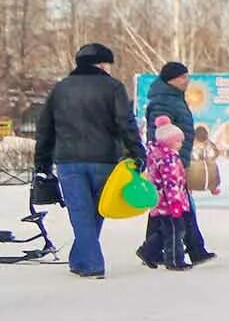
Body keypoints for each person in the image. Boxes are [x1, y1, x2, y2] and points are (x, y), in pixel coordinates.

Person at [32, 42, 145, 278]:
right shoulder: (113, 87)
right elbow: (126, 123)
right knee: (96, 211)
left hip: (68, 161)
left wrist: (42, 161)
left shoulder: (61, 89)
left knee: (81, 212)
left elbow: (45, 128)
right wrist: (137, 151)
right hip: (104, 160)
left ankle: (81, 259)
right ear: (102, 64)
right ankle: (92, 264)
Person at [140, 61, 215, 265]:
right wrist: (170, 160)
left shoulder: (174, 97)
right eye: (183, 77)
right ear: (171, 79)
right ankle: (191, 249)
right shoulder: (164, 100)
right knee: (179, 206)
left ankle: (154, 250)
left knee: (168, 206)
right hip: (170, 163)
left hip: (176, 159)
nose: (187, 80)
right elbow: (159, 132)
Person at [141, 117, 194, 270]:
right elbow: (171, 183)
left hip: (162, 201)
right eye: (178, 141)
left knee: (166, 230)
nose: (181, 144)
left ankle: (147, 251)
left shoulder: (157, 155)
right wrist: (176, 203)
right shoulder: (168, 159)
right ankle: (174, 261)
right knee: (176, 232)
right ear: (169, 142)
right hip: (170, 202)